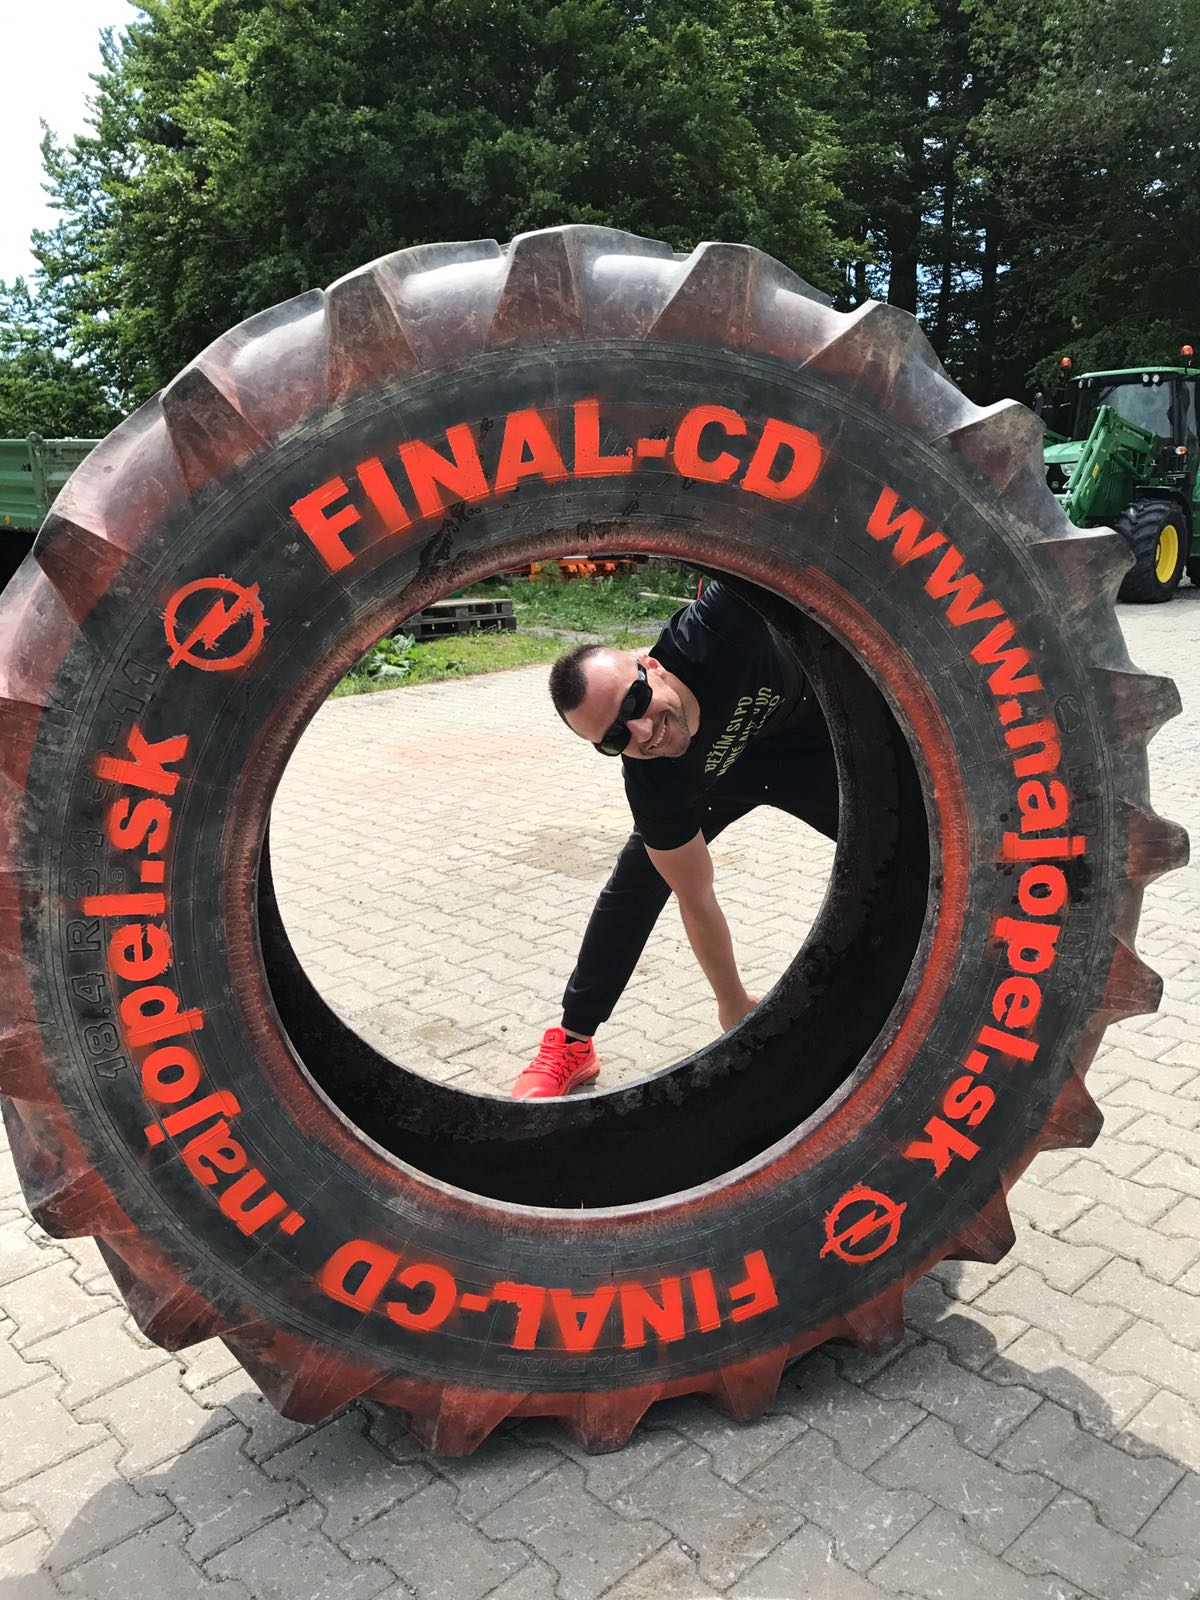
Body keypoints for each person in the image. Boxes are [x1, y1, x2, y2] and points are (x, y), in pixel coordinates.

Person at [511, 578, 840, 1098]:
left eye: (635, 701)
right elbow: (696, 896)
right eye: (614, 738)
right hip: (712, 780)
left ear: (653, 665)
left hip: (810, 741)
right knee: (634, 888)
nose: (642, 731)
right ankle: (574, 1042)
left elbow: (792, 554)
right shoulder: (653, 781)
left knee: (920, 840)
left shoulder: (716, 628)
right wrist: (732, 1004)